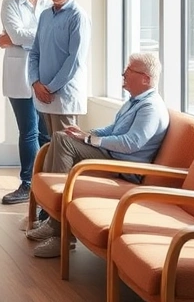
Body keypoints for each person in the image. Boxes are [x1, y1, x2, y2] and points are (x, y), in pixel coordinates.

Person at [27, 52, 169, 258]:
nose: (124, 73)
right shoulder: (135, 101)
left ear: (146, 78)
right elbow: (114, 128)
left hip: (123, 166)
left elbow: (132, 143)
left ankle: (61, 235)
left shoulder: (151, 107)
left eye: (130, 70)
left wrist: (92, 140)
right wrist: (87, 134)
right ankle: (53, 220)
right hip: (112, 156)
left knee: (64, 141)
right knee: (62, 137)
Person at [0, 0, 51, 205]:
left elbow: (22, 37)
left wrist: (17, 39)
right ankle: (27, 184)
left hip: (44, 74)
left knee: (47, 133)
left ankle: (47, 184)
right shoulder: (10, 4)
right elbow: (18, 33)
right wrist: (22, 38)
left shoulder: (50, 5)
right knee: (28, 132)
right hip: (19, 76)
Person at [28, 0, 91, 150]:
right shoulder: (46, 15)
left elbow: (75, 59)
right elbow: (35, 52)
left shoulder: (78, 17)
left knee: (64, 151)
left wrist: (50, 88)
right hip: (43, 95)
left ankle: (62, 181)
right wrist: (35, 82)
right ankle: (49, 180)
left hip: (64, 97)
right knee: (50, 149)